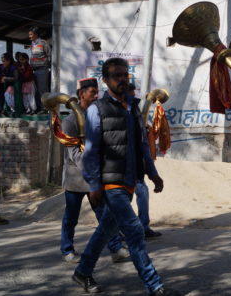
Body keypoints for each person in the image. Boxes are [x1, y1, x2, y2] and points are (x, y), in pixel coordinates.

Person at [72, 58, 180, 295]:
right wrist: (93, 184)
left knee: (106, 229)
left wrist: (153, 174)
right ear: (105, 80)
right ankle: (155, 286)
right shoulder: (96, 110)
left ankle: (82, 271)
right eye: (116, 75)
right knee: (133, 230)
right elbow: (91, 151)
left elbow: (142, 145)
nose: (122, 79)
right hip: (110, 183)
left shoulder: (133, 108)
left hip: (131, 180)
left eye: (125, 75)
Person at [60, 77, 130, 264]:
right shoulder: (69, 121)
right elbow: (73, 153)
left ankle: (115, 248)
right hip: (76, 178)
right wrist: (92, 170)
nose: (96, 96)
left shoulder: (97, 115)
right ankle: (67, 249)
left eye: (97, 92)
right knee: (71, 216)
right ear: (81, 94)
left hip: (96, 177)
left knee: (105, 214)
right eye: (92, 93)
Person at [128, 83, 162, 239]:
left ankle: (143, 227)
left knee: (142, 193)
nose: (133, 95)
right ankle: (121, 232)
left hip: (137, 166)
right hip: (122, 169)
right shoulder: (114, 112)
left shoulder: (135, 111)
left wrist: (152, 172)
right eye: (131, 92)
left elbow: (143, 145)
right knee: (122, 203)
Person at [28, 26, 51, 113]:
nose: (29, 36)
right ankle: (38, 107)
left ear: (36, 34)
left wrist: (46, 66)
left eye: (31, 34)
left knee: (43, 89)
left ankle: (45, 108)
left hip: (42, 69)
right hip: (34, 70)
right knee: (36, 90)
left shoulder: (43, 43)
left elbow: (49, 55)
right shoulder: (32, 44)